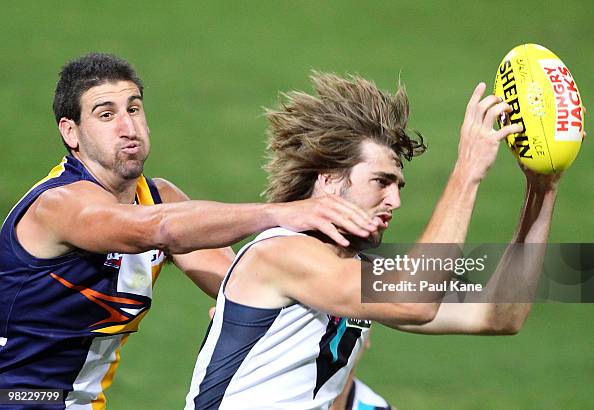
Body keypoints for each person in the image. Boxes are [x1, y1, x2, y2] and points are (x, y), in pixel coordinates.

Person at [0, 54, 381, 409]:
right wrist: (283, 213)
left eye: (133, 108)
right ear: (71, 132)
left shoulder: (158, 198)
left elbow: (242, 285)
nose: (128, 126)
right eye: (106, 114)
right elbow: (161, 229)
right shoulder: (59, 205)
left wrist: (359, 273)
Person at [185, 72, 561, 409]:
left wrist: (541, 191)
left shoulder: (356, 272)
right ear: (329, 179)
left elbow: (499, 314)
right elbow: (412, 302)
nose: (394, 201)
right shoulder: (280, 252)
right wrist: (467, 170)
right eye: (381, 182)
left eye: (398, 186)